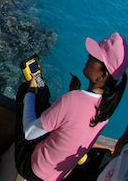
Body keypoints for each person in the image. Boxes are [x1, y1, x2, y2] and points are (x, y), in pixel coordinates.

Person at [15, 32, 127, 181]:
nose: (89, 56)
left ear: (103, 75)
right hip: (58, 176)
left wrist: (30, 93)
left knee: (28, 92)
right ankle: (38, 86)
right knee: (44, 101)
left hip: (32, 169)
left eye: (95, 57)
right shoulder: (106, 111)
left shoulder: (72, 100)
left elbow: (29, 133)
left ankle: (33, 87)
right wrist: (73, 93)